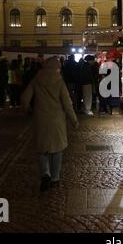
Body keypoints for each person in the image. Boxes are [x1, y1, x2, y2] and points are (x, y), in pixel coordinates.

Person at [21, 57, 78, 192]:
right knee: (57, 150)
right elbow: (67, 103)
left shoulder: (36, 79)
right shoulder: (59, 80)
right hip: (56, 120)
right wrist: (74, 120)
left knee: (42, 149)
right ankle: (55, 178)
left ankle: (45, 173)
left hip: (40, 119)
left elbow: (24, 98)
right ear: (56, 67)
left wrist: (28, 110)